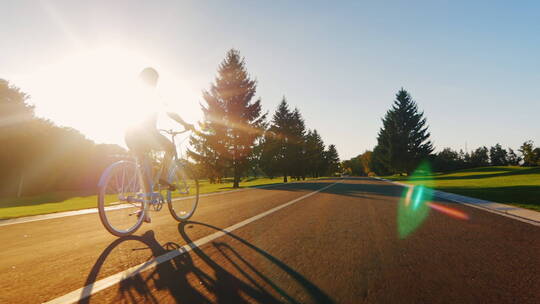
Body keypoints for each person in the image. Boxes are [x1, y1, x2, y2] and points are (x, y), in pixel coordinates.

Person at [125, 67, 194, 195]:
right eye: (155, 80)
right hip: (146, 135)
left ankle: (144, 210)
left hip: (129, 136)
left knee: (145, 170)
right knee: (171, 148)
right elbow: (170, 113)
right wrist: (185, 124)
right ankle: (163, 177)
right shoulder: (153, 94)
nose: (156, 82)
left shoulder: (132, 93)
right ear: (152, 80)